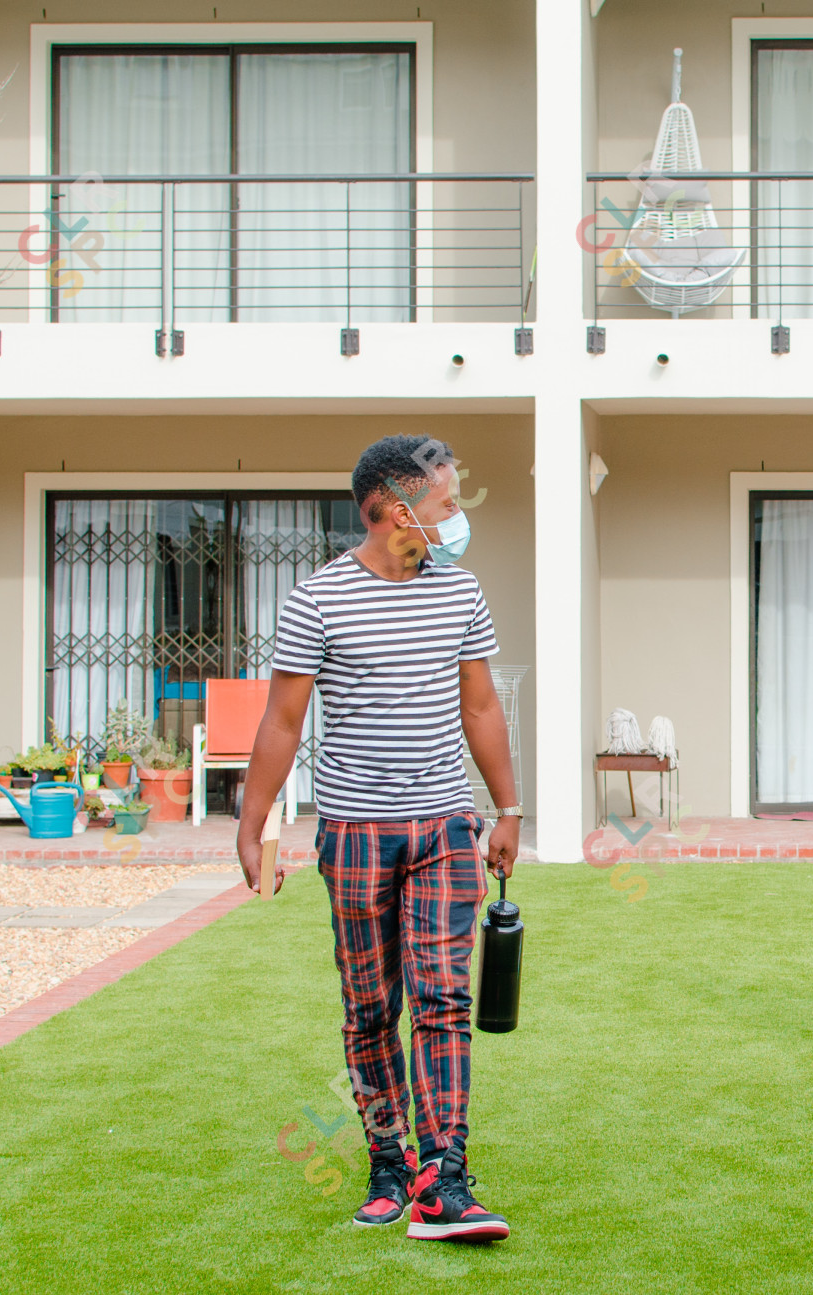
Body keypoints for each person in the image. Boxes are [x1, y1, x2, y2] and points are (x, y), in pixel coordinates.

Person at [237, 434, 521, 1242]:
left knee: (441, 999)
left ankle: (446, 1178)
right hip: (355, 832)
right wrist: (252, 827)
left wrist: (509, 809)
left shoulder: (460, 594)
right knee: (370, 1009)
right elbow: (282, 721)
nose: (456, 516)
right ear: (396, 511)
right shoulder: (316, 600)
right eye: (446, 502)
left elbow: (481, 709)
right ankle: (389, 1163)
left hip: (443, 824)